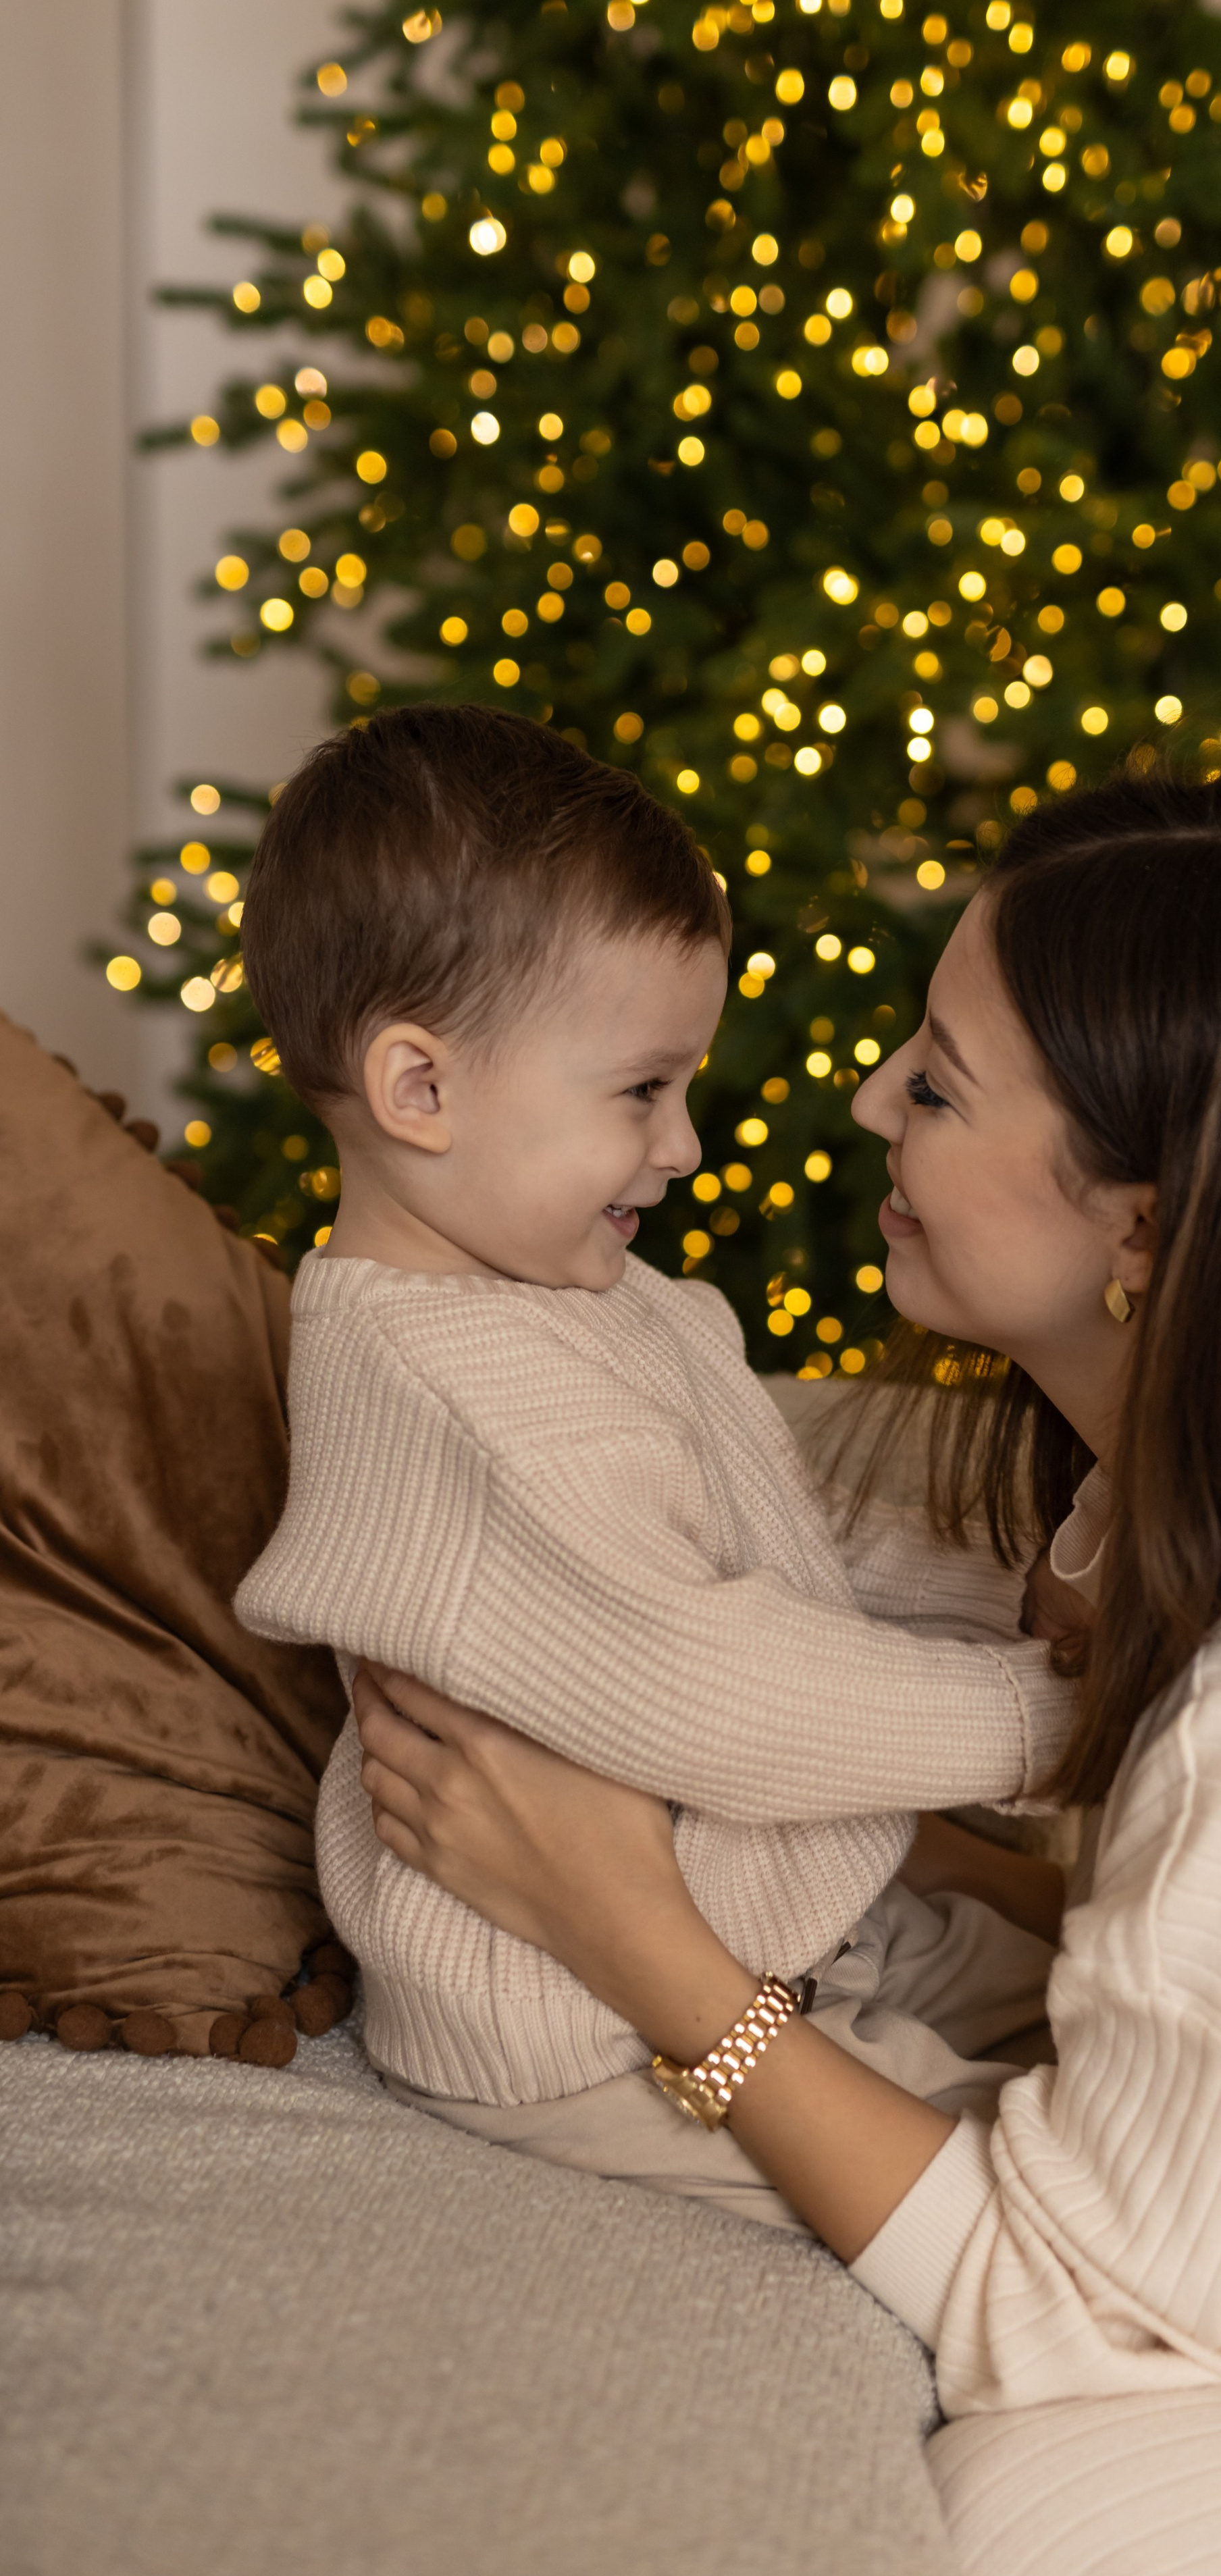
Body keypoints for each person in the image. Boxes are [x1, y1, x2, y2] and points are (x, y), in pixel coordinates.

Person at [352, 762, 1221, 2576]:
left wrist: (641, 1943)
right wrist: (943, 1853)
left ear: (1147, 1230)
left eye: (934, 1082)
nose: (862, 1103)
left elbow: (1063, 2306)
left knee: (1034, 2515)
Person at [234, 704, 1065, 2224]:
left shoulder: (570, 1296)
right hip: (581, 2027)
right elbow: (719, 1690)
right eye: (638, 1092)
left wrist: (1042, 1571)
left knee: (1125, 1989)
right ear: (419, 1091)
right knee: (1064, 2178)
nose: (682, 1144)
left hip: (797, 1913)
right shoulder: (449, 1391)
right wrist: (1054, 1711)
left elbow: (776, 1519)